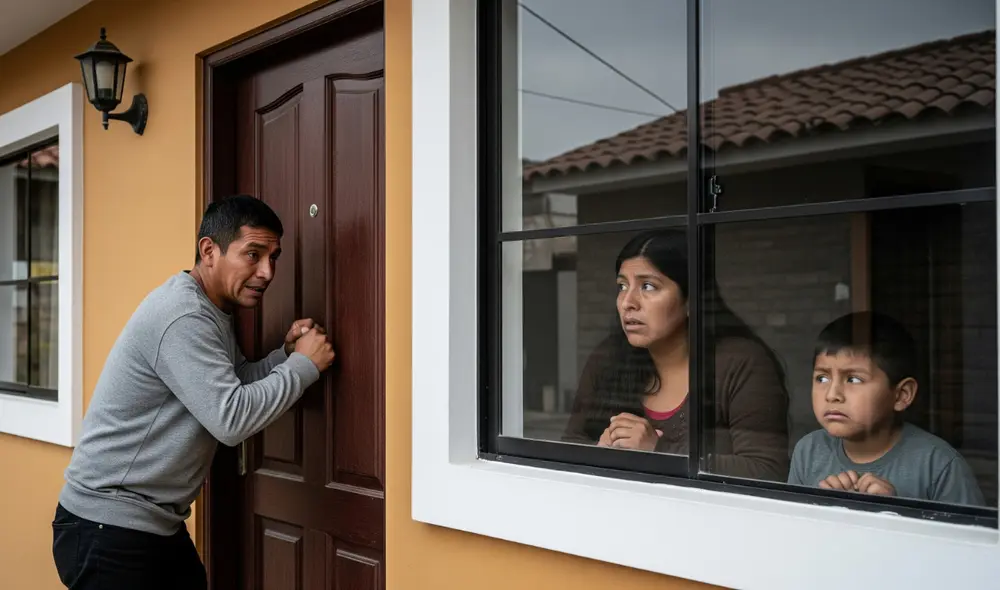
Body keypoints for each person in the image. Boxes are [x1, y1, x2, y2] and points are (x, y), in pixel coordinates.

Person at [51, 194, 336, 589]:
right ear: (209, 251)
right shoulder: (183, 314)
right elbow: (231, 418)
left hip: (150, 524)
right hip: (108, 527)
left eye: (274, 257)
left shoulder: (211, 310)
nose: (267, 272)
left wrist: (285, 356)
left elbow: (232, 380)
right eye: (253, 254)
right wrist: (304, 367)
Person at [562, 229, 790, 481]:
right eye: (622, 286)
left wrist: (659, 451)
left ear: (690, 300)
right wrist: (600, 452)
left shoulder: (741, 363)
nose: (627, 302)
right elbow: (570, 444)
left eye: (648, 286)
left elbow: (769, 471)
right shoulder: (608, 358)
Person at [788, 311, 985, 505]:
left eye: (854, 379)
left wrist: (895, 512)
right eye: (822, 378)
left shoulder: (938, 465)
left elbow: (968, 537)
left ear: (901, 395)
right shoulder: (809, 452)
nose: (832, 395)